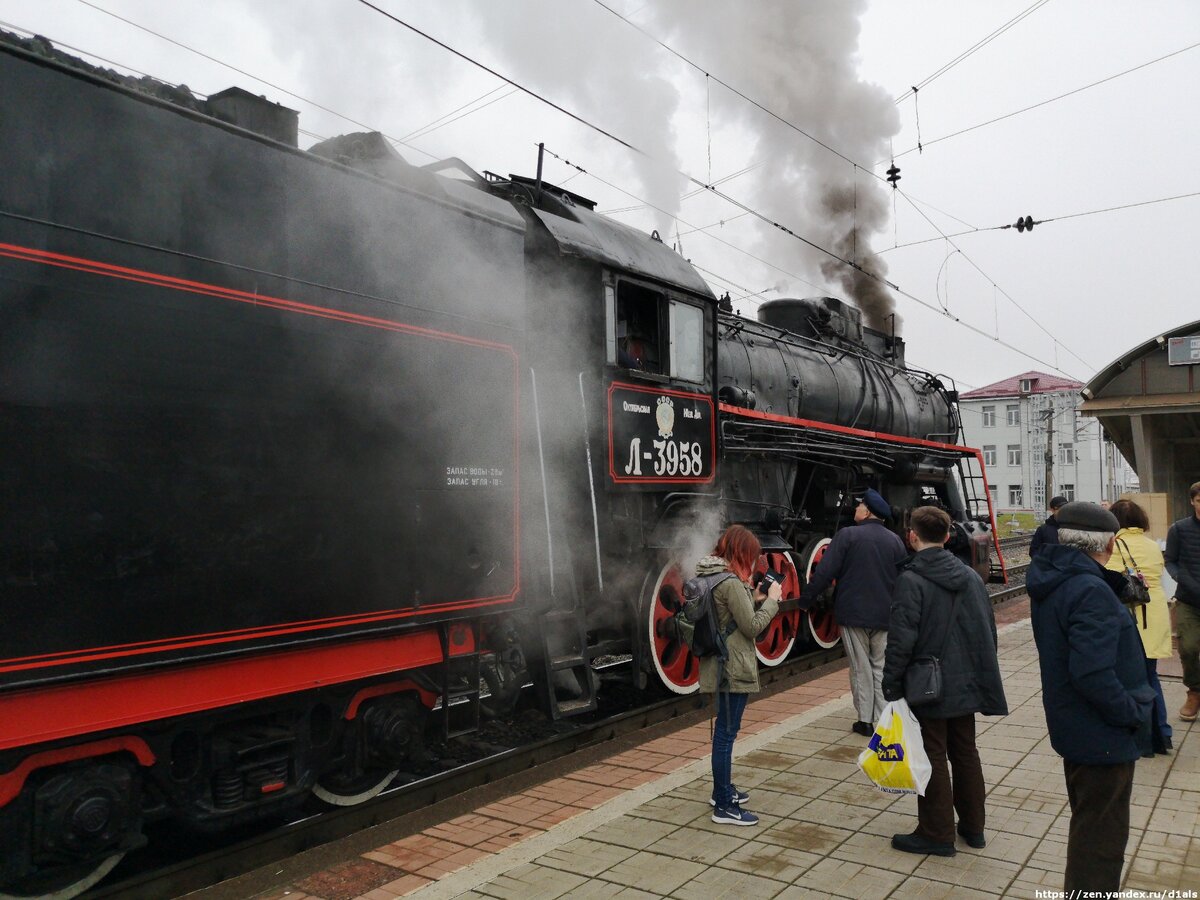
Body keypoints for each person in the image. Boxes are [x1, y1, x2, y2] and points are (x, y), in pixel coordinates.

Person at [1027, 501, 1155, 894]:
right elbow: (1092, 673)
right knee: (1101, 842)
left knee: (1089, 826)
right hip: (1102, 733)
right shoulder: (1088, 591)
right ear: (1112, 544)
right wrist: (1131, 712)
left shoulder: (1056, 578)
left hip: (1077, 726)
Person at [882, 506, 1008, 857]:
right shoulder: (969, 576)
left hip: (929, 684)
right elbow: (989, 631)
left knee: (933, 752)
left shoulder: (911, 579)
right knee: (965, 751)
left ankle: (936, 833)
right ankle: (973, 827)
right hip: (966, 680)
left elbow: (901, 639)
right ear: (949, 536)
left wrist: (891, 684)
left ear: (912, 536)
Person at [799, 488, 906, 735]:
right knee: (880, 665)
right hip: (884, 615)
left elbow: (824, 573)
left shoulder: (847, 536)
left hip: (853, 614)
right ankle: (883, 720)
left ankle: (865, 721)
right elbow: (903, 578)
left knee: (860, 667)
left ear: (867, 511)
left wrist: (806, 599)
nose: (855, 509)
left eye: (858, 506)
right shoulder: (895, 541)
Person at [696, 524, 781, 827]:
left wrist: (753, 598)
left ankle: (723, 789)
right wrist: (772, 600)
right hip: (732, 666)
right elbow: (752, 628)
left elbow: (729, 615)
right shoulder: (730, 582)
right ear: (742, 552)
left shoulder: (709, 575)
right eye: (752, 555)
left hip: (718, 663)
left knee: (724, 732)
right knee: (726, 736)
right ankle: (723, 805)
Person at [1106, 499, 1173, 751]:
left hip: (1131, 618)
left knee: (1130, 680)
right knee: (1150, 677)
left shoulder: (1115, 546)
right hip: (1154, 616)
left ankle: (1141, 737)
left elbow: (1110, 581)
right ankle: (1162, 734)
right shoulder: (1152, 545)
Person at [1166, 481, 1200, 722]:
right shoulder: (1179, 529)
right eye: (1199, 501)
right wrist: (1181, 578)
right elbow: (1171, 560)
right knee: (1188, 648)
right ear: (1192, 501)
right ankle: (1194, 692)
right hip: (1188, 600)